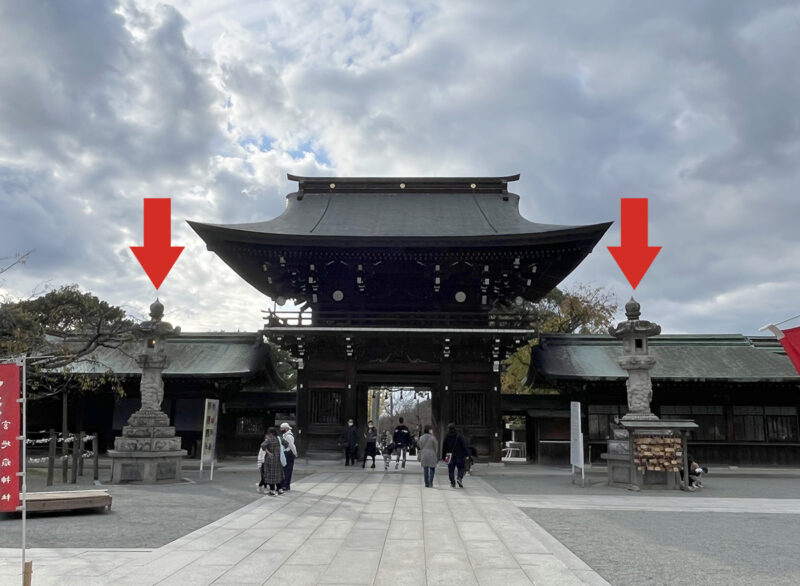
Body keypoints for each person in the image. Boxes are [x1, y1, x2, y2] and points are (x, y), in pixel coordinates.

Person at [442, 422, 468, 488]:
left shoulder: (446, 436)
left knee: (451, 470)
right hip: (459, 455)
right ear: (455, 428)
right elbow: (463, 446)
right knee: (461, 468)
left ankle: (452, 483)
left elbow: (444, 447)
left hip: (449, 455)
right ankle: (459, 478)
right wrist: (467, 454)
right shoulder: (459, 436)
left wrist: (443, 456)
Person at [260, 427, 285, 496]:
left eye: (269, 433)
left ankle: (272, 491)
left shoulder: (269, 439)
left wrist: (268, 452)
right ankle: (280, 490)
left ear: (271, 433)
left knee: (270, 475)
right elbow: (287, 444)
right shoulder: (279, 439)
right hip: (278, 459)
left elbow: (262, 445)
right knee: (278, 475)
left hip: (270, 460)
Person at [280, 422, 298, 490]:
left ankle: (285, 485)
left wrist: (295, 453)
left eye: (282, 428)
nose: (281, 429)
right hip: (286, 453)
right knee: (285, 469)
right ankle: (284, 484)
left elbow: (291, 446)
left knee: (287, 469)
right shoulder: (285, 435)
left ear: (286, 428)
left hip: (289, 453)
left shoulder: (289, 436)